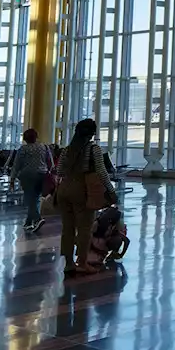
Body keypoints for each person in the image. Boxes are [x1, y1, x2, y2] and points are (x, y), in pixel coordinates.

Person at [55, 118, 117, 277]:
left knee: (67, 229)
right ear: (92, 133)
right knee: (84, 229)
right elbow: (102, 172)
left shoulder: (67, 150)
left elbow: (59, 171)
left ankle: (68, 263)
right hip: (82, 190)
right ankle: (82, 263)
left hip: (63, 190)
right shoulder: (93, 149)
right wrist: (110, 190)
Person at [6, 128, 52, 233]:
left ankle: (37, 219)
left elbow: (16, 165)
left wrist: (12, 179)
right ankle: (28, 222)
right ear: (36, 137)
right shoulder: (44, 147)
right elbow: (50, 161)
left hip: (28, 176)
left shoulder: (23, 149)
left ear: (25, 139)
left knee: (29, 199)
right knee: (35, 198)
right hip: (42, 175)